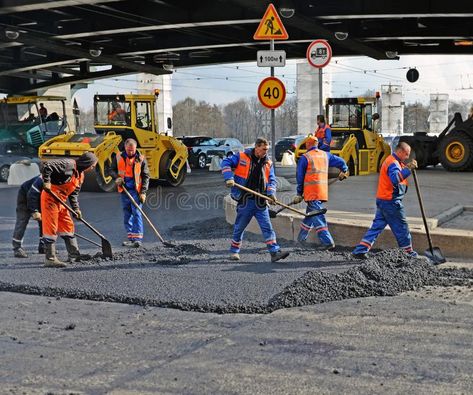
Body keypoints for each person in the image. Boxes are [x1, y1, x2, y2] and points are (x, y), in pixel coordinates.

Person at [221, 137, 289, 263]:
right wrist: (228, 177)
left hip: (260, 202)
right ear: (256, 147)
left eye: (267, 150)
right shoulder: (241, 156)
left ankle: (274, 252)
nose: (265, 152)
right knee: (240, 227)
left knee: (267, 228)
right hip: (246, 200)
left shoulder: (268, 163)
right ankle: (234, 251)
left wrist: (271, 193)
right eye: (263, 149)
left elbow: (272, 180)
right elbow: (225, 163)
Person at [352, 142, 418, 259]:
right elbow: (395, 179)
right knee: (402, 227)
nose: (407, 157)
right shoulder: (393, 163)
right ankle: (408, 253)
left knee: (377, 227)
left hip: (383, 199)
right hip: (391, 202)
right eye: (406, 154)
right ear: (400, 152)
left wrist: (406, 167)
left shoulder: (393, 161)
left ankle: (360, 250)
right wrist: (408, 170)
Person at [41, 152, 98, 267]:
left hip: (61, 200)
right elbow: (47, 165)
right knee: (51, 227)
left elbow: (73, 195)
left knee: (68, 225)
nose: (92, 168)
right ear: (87, 163)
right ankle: (50, 258)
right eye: (92, 165)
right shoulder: (68, 164)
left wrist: (76, 209)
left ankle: (74, 254)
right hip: (50, 198)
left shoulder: (80, 175)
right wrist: (46, 181)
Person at [293, 136, 349, 250]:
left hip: (311, 193)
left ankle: (328, 242)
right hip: (322, 192)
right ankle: (301, 238)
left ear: (308, 145)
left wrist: (299, 193)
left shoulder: (305, 157)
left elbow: (300, 177)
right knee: (310, 215)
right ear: (317, 144)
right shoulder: (325, 155)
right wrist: (344, 170)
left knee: (318, 217)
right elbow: (341, 161)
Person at [110, 138, 150, 248]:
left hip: (136, 190)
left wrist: (143, 192)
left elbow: (146, 176)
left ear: (135, 148)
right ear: (125, 148)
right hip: (124, 188)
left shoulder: (141, 159)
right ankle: (131, 238)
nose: (131, 153)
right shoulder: (118, 157)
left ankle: (137, 239)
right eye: (128, 150)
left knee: (136, 212)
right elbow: (111, 170)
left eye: (132, 150)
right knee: (127, 213)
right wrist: (116, 178)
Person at [12, 176, 45, 258]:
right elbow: (32, 195)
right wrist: (35, 211)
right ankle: (17, 248)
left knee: (44, 221)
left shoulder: (61, 179)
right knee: (22, 220)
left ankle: (43, 246)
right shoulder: (43, 178)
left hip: (40, 196)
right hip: (26, 193)